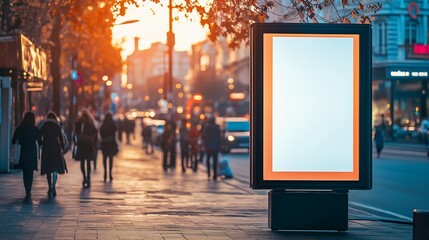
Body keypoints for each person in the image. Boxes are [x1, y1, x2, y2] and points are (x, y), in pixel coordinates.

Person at [11, 112, 42, 200]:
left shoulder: (19, 128)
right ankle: (29, 190)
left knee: (25, 172)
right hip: (32, 152)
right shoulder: (35, 129)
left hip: (23, 152)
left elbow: (13, 141)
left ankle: (27, 190)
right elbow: (40, 142)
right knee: (30, 172)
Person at [40, 112, 68, 197]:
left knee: (48, 169)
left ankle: (49, 186)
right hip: (56, 149)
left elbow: (39, 136)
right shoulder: (57, 126)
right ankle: (53, 186)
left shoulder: (44, 126)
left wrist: (42, 143)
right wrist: (62, 148)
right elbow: (61, 138)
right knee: (55, 169)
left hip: (46, 149)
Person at [73, 110, 97, 188]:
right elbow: (95, 131)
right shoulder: (90, 121)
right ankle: (88, 178)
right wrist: (90, 137)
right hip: (89, 144)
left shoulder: (79, 121)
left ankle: (84, 178)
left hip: (81, 144)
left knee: (82, 161)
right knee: (88, 161)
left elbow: (75, 132)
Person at [99, 113, 119, 182]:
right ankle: (110, 174)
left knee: (104, 159)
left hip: (104, 144)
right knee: (111, 159)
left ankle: (105, 173)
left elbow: (101, 133)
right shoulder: (113, 124)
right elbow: (115, 132)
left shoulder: (103, 125)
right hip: (111, 144)